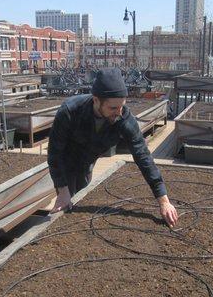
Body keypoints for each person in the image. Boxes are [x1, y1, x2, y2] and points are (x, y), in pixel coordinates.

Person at [47, 67, 179, 227]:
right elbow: (55, 153)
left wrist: (163, 200)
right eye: (113, 108)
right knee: (66, 200)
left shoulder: (123, 118)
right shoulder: (70, 111)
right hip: (66, 160)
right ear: (96, 100)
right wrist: (62, 191)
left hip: (88, 160)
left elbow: (143, 156)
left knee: (81, 195)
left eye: (121, 106)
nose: (119, 112)